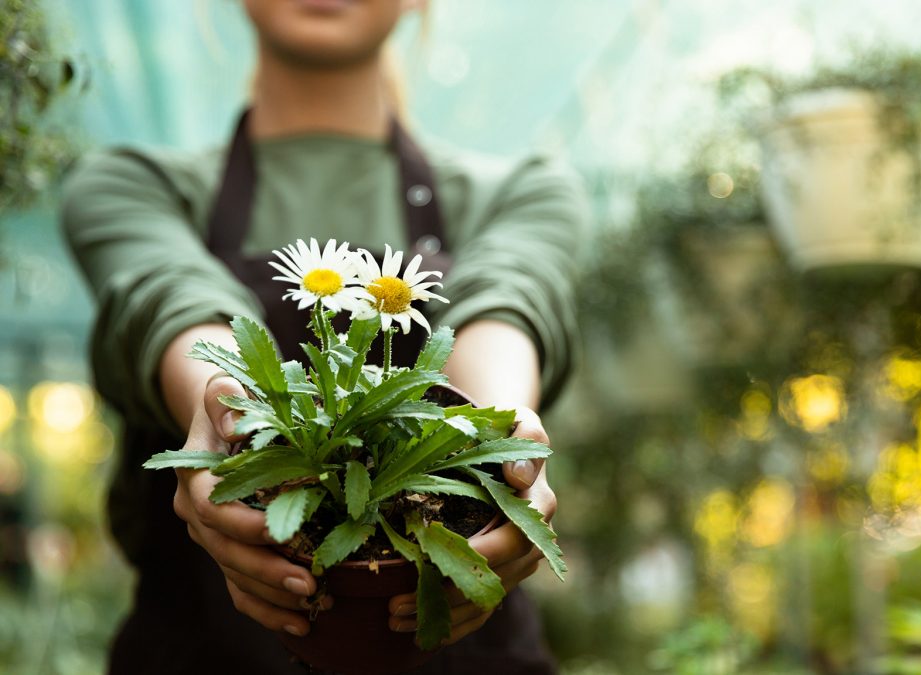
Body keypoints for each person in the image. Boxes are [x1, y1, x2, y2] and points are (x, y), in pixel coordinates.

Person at [61, 1, 586, 672]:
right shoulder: (131, 185)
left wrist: (498, 448)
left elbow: (507, 305)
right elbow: (169, 301)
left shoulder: (525, 190)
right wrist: (226, 410)